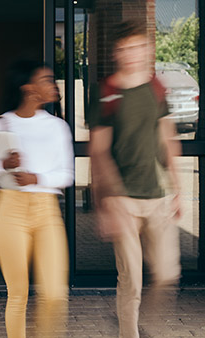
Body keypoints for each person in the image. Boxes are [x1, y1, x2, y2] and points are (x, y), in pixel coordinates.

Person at [87, 20, 181, 338]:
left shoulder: (156, 88)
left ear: (148, 50)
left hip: (157, 194)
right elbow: (98, 151)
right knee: (132, 280)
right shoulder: (107, 92)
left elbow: (167, 138)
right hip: (122, 199)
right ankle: (130, 333)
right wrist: (104, 203)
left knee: (168, 272)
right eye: (125, 49)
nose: (132, 54)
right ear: (117, 53)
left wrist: (178, 189)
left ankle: (149, 324)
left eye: (138, 48)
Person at [0, 60, 74, 338]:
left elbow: (67, 174)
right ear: (29, 88)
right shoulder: (0, 124)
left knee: (55, 293)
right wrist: (3, 165)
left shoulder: (58, 127)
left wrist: (37, 179)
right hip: (10, 210)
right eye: (46, 79)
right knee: (18, 292)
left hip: (47, 212)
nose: (53, 85)